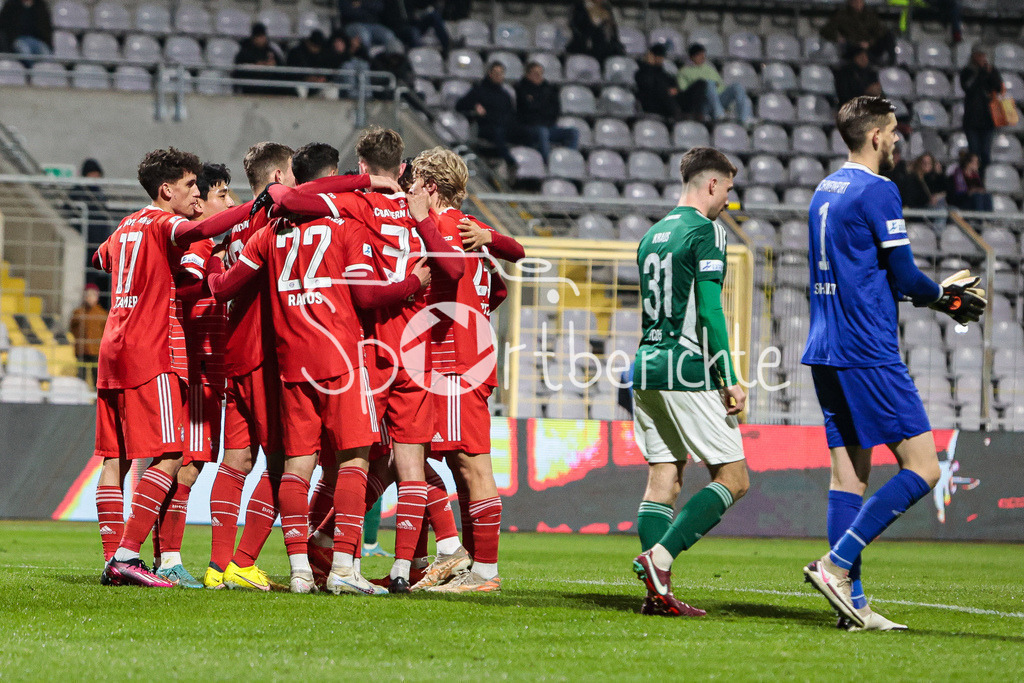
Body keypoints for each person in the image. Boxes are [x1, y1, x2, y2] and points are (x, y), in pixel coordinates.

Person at [801, 96, 985, 630]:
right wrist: (946, 298)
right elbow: (904, 277)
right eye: (894, 131)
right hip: (866, 349)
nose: (899, 139)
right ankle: (836, 566)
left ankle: (851, 604)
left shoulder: (824, 189)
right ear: (877, 136)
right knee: (924, 467)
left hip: (824, 346)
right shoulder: (880, 190)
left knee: (848, 476)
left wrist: (929, 292)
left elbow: (864, 272)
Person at [262, 127, 465, 593]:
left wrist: (363, 186)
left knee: (342, 461)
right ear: (404, 168)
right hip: (415, 351)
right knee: (400, 462)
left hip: (367, 347)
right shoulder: (424, 213)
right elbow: (459, 268)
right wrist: (420, 222)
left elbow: (292, 199)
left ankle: (329, 552)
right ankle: (395, 567)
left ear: (360, 167)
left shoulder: (357, 207)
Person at [90, 148, 260, 587]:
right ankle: (129, 555)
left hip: (112, 348)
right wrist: (257, 206)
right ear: (167, 190)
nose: (195, 197)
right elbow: (198, 244)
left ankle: (114, 558)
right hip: (153, 350)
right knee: (170, 454)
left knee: (116, 459)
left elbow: (100, 259)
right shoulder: (169, 225)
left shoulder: (127, 224)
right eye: (190, 187)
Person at [630, 147, 750, 617]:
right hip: (685, 368)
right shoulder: (707, 232)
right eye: (729, 191)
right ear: (713, 184)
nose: (728, 202)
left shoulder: (651, 235)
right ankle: (659, 558)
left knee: (664, 477)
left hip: (645, 365)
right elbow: (710, 311)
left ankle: (656, 595)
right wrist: (730, 377)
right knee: (734, 478)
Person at [410, 146, 527, 593]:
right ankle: (467, 563)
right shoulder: (470, 227)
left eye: (416, 183)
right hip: (461, 357)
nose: (410, 191)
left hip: (455, 361)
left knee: (471, 465)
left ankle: (482, 571)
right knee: (444, 462)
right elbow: (505, 269)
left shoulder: (440, 226)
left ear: (431, 186)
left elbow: (456, 269)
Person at [152, 163, 236, 589]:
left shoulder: (209, 246)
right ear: (201, 201)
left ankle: (162, 555)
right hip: (196, 364)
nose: (231, 203)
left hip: (210, 365)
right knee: (188, 465)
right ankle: (168, 559)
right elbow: (182, 290)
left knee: (190, 465)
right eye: (223, 194)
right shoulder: (198, 246)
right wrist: (221, 274)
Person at [456, 62, 522, 168]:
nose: (498, 76)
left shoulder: (505, 95)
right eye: (495, 73)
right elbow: (460, 105)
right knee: (498, 131)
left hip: (504, 126)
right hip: (485, 127)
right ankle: (510, 161)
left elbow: (511, 114)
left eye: (500, 73)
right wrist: (475, 106)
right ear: (489, 73)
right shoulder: (479, 90)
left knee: (523, 131)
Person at [514, 62, 580, 162]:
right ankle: (548, 162)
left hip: (549, 125)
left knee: (573, 132)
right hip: (529, 128)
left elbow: (555, 110)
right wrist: (541, 107)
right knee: (542, 132)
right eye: (535, 74)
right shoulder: (521, 88)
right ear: (528, 75)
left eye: (540, 73)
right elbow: (526, 109)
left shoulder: (549, 89)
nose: (539, 76)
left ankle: (569, 160)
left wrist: (535, 103)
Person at [677, 43, 752, 126]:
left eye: (703, 54)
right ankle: (719, 115)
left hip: (719, 100)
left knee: (737, 86)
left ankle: (743, 119)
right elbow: (685, 92)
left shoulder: (709, 69)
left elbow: (721, 86)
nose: (702, 57)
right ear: (692, 57)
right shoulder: (683, 72)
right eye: (699, 55)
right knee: (709, 83)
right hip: (703, 104)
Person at [960, 46, 1003, 173]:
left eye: (983, 55)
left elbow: (999, 88)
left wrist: (989, 73)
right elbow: (968, 87)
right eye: (979, 55)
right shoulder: (967, 71)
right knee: (974, 153)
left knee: (985, 153)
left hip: (988, 119)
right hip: (971, 120)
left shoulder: (991, 70)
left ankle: (984, 178)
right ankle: (972, 179)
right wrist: (980, 73)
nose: (981, 58)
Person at [635, 44, 701, 122]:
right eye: (658, 56)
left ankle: (695, 115)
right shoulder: (642, 72)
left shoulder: (663, 73)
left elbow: (674, 83)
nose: (661, 59)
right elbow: (648, 85)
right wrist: (649, 65)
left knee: (700, 84)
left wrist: (676, 89)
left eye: (661, 56)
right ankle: (677, 114)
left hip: (671, 101)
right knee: (661, 86)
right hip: (654, 104)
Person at [820, 0, 895, 66]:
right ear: (850, 2)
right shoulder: (842, 15)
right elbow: (825, 31)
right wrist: (838, 37)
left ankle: (892, 62)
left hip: (869, 46)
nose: (858, 4)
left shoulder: (869, 15)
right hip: (852, 47)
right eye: (855, 1)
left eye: (860, 1)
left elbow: (879, 31)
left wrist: (869, 42)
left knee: (888, 34)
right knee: (852, 47)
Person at [69, 283, 106, 386]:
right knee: (81, 376)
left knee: (97, 376)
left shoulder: (102, 314)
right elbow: (72, 327)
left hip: (96, 351)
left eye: (93, 295)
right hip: (81, 349)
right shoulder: (78, 312)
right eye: (88, 295)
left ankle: (96, 397)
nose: (90, 298)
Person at [233, 23, 286, 95]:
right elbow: (239, 70)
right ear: (253, 38)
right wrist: (258, 66)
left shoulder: (270, 50)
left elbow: (280, 68)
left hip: (270, 89)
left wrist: (272, 65)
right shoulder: (244, 51)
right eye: (259, 37)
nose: (262, 39)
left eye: (263, 36)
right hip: (250, 88)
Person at [338, 0, 406, 54]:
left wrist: (361, 4)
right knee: (364, 36)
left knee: (389, 35)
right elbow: (347, 11)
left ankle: (394, 63)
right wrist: (367, 7)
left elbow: (379, 7)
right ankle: (368, 61)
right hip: (353, 24)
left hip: (374, 25)